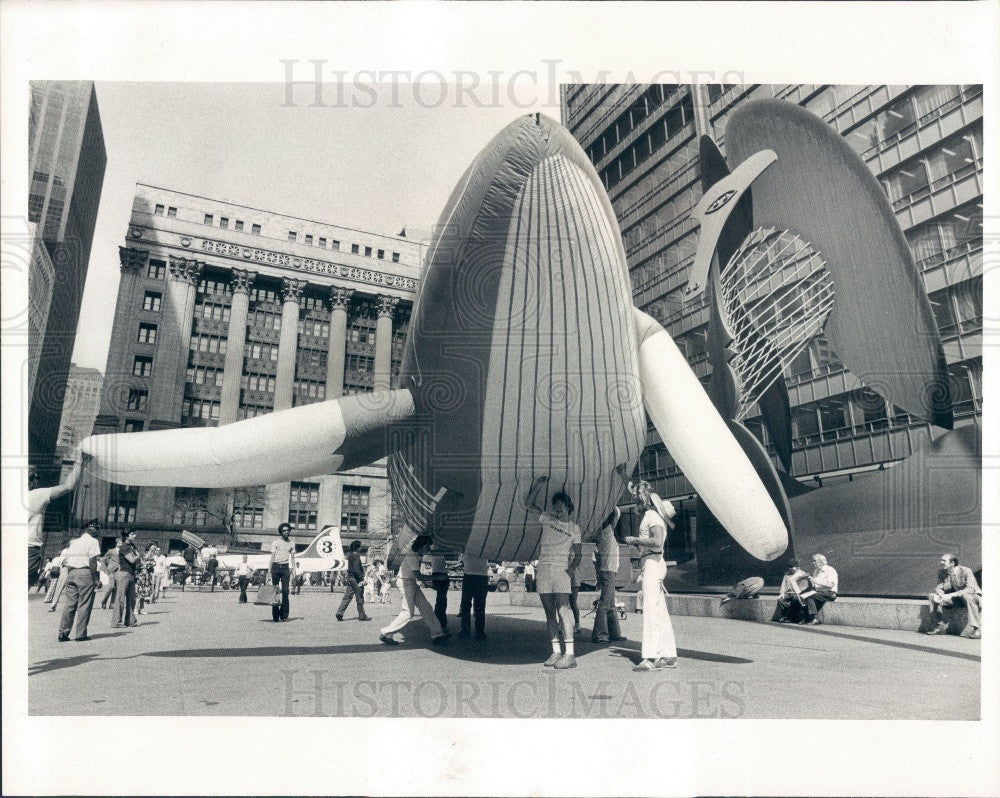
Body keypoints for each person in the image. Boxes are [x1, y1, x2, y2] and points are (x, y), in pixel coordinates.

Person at [525, 477, 582, 669]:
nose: (557, 509)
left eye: (561, 506)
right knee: (549, 613)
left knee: (563, 610)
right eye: (555, 506)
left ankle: (570, 654)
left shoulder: (574, 528)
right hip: (543, 568)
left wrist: (570, 571)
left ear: (568, 507)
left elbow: (579, 554)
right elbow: (528, 504)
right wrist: (538, 486)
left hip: (561, 570)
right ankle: (556, 651)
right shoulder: (547, 519)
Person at [624, 481, 677, 671]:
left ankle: (650, 657)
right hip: (654, 562)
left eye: (636, 499)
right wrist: (625, 478)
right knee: (659, 610)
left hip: (652, 562)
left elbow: (656, 542)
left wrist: (635, 540)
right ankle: (668, 655)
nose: (634, 503)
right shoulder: (654, 514)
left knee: (651, 610)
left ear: (643, 500)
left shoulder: (651, 515)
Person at [379, 535, 449, 645]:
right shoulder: (411, 555)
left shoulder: (416, 554)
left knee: (426, 607)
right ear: (421, 546)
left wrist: (430, 583)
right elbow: (419, 576)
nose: (428, 549)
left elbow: (417, 576)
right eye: (427, 546)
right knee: (408, 612)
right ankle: (386, 632)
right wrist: (437, 578)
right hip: (405, 583)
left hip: (409, 582)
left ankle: (438, 634)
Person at [27, 458, 83, 587]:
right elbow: (68, 486)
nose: (38, 480)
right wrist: (79, 463)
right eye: (37, 477)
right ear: (31, 478)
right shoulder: (35, 495)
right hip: (28, 550)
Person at [57, 519, 101, 642]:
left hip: (72, 573)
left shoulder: (75, 542)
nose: (98, 531)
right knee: (84, 604)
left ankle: (63, 633)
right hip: (85, 573)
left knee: (69, 605)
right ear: (89, 528)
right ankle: (80, 634)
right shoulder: (93, 541)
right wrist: (96, 579)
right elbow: (92, 562)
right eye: (97, 528)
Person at [925, 553, 981, 638]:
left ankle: (977, 629)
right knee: (932, 596)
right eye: (941, 560)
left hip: (973, 598)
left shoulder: (966, 571)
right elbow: (939, 587)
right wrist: (940, 595)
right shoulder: (942, 573)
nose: (941, 562)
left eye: (944, 560)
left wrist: (951, 595)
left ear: (952, 563)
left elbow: (970, 589)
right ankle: (940, 626)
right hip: (956, 600)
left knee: (967, 596)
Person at [592, 507, 625, 644]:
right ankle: (600, 634)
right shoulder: (607, 532)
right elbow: (618, 513)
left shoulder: (604, 533)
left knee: (610, 604)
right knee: (605, 604)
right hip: (608, 571)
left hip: (608, 570)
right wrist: (612, 503)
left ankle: (614, 633)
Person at [336, 540, 371, 621]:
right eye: (360, 546)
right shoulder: (356, 556)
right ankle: (362, 616)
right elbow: (357, 569)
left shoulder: (349, 556)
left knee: (347, 597)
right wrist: (362, 579)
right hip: (356, 579)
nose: (361, 548)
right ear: (357, 548)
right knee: (359, 598)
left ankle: (339, 613)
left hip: (350, 578)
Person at [458, 551, 489, 640]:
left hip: (469, 576)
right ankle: (480, 633)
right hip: (482, 577)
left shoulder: (467, 547)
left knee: (466, 606)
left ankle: (465, 631)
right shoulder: (485, 546)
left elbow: (462, 560)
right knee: (480, 607)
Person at [269, 523, 296, 621]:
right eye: (284, 531)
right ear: (281, 532)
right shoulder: (275, 542)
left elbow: (293, 558)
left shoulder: (291, 543)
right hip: (275, 567)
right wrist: (269, 570)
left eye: (288, 530)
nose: (286, 532)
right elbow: (272, 557)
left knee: (285, 591)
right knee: (275, 592)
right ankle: (275, 616)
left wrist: (294, 569)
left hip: (285, 568)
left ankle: (284, 614)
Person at [114, 529, 141, 627]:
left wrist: (138, 557)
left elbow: (137, 561)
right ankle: (116, 622)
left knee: (131, 599)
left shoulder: (132, 546)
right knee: (120, 599)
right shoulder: (124, 547)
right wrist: (138, 556)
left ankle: (130, 621)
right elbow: (132, 560)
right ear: (127, 536)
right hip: (124, 574)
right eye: (132, 534)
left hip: (131, 574)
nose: (135, 535)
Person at [803, 553, 838, 624]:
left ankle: (816, 618)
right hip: (818, 592)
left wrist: (816, 581)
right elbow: (815, 585)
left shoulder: (830, 570)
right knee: (803, 596)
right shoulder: (816, 571)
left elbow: (831, 584)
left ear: (821, 562)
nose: (813, 563)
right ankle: (806, 618)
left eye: (815, 561)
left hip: (830, 593)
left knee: (809, 596)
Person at [430, 552, 450, 633]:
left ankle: (439, 622)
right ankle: (441, 623)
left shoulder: (435, 550)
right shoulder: (439, 549)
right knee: (441, 600)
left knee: (440, 600)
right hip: (441, 574)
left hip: (438, 573)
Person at [98, 542, 120, 609]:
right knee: (111, 587)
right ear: (117, 543)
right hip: (112, 571)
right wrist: (106, 569)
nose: (121, 544)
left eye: (122, 543)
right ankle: (104, 601)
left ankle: (112, 604)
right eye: (119, 543)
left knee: (116, 588)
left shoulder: (123, 551)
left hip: (120, 571)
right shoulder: (111, 551)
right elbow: (103, 559)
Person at [135, 544, 155, 615]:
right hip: (142, 574)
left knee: (144, 592)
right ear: (149, 547)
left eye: (154, 547)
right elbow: (143, 563)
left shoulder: (152, 555)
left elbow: (152, 564)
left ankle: (141, 608)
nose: (154, 548)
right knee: (140, 592)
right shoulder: (146, 554)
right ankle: (135, 608)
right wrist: (149, 564)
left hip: (147, 575)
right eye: (153, 547)